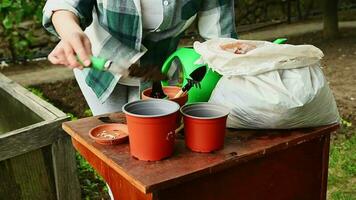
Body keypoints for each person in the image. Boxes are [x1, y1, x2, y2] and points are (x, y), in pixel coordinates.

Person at [43, 0, 237, 198]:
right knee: (117, 160)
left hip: (157, 74)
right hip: (101, 63)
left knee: (157, 158)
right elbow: (65, 5)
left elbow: (220, 43)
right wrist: (69, 32)